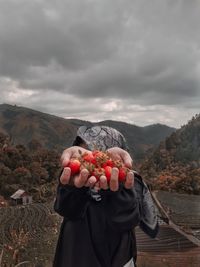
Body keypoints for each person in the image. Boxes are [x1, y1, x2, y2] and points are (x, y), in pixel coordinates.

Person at [53, 126, 158, 267]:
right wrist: (72, 186)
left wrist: (115, 191)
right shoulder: (76, 185)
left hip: (115, 258)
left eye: (94, 152)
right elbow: (64, 207)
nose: (89, 159)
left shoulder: (130, 182)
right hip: (74, 256)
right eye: (85, 151)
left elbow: (127, 217)